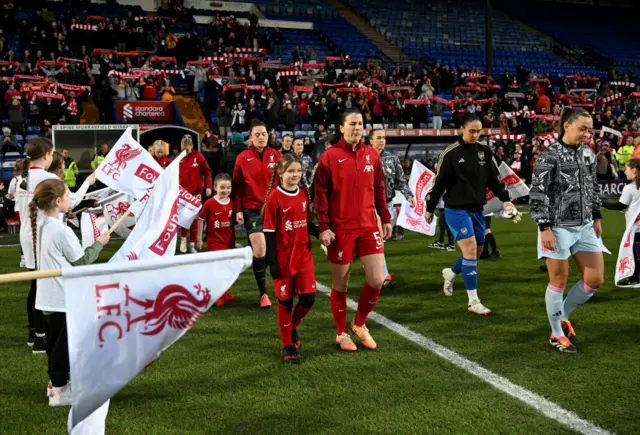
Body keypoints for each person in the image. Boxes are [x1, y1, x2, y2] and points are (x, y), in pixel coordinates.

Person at [314, 108, 391, 351]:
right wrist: (324, 227)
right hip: (340, 229)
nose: (357, 128)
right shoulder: (329, 156)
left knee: (377, 279)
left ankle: (359, 324)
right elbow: (321, 195)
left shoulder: (371, 154)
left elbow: (379, 187)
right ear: (341, 127)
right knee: (341, 284)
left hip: (369, 225)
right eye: (352, 124)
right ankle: (341, 333)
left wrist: (385, 217)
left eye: (360, 124)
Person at [530, 107, 604, 354]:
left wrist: (596, 215)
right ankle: (556, 334)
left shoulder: (587, 154)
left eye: (589, 129)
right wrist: (544, 227)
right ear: (567, 126)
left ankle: (563, 315)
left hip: (584, 226)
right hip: (557, 227)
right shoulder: (548, 156)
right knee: (559, 280)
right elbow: (537, 194)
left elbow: (592, 186)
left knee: (595, 279)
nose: (587, 134)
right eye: (583, 128)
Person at [425, 113, 515, 314]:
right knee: (471, 250)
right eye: (471, 131)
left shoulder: (484, 152)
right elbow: (438, 184)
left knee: (477, 252)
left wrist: (507, 201)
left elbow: (494, 180)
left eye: (478, 131)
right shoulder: (450, 153)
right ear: (462, 129)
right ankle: (473, 301)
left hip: (477, 210)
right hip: (456, 210)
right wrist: (430, 208)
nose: (475, 135)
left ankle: (451, 272)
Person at [31, 178, 110, 406]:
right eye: (68, 195)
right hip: (62, 295)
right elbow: (82, 261)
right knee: (64, 346)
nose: (70, 199)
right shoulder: (60, 230)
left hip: (50, 295)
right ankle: (58, 389)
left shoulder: (44, 223)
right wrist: (100, 243)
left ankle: (58, 385)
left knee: (57, 342)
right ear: (58, 200)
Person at [263, 154, 317, 363]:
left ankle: (292, 327)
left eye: (298, 171)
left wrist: (321, 231)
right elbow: (268, 232)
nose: (295, 175)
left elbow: (305, 222)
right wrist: (272, 262)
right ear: (280, 173)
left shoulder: (303, 194)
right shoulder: (275, 198)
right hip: (284, 259)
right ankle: (287, 345)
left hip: (304, 256)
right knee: (285, 302)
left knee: (308, 299)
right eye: (290, 171)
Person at [233, 119, 282, 308]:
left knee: (274, 252)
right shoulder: (242, 158)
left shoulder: (277, 156)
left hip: (275, 210)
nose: (261, 137)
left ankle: (282, 285)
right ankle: (263, 294)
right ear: (251, 138)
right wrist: (238, 210)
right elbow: (237, 187)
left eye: (264, 134)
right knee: (259, 248)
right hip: (252, 209)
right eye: (257, 135)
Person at [16, 137, 57, 353]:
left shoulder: (20, 177)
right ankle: (41, 337)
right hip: (41, 235)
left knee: (34, 284)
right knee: (43, 286)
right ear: (47, 155)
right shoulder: (48, 177)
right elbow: (69, 204)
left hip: (27, 234)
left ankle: (34, 333)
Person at [369, 128, 416, 288]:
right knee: (377, 240)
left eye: (384, 138)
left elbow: (400, 180)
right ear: (370, 140)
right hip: (367, 207)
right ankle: (384, 275)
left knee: (378, 241)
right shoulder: (363, 158)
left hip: (386, 205)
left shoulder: (392, 158)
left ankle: (377, 270)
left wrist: (409, 195)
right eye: (378, 138)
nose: (382, 140)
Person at [197, 173, 236, 306]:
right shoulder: (209, 203)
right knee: (218, 268)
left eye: (228, 188)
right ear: (215, 187)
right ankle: (217, 294)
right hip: (215, 241)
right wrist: (199, 238)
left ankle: (225, 292)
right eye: (222, 187)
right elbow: (201, 219)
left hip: (229, 240)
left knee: (227, 268)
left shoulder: (232, 203)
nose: (225, 191)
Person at [603, 158, 640, 285]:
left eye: (627, 169)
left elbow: (620, 206)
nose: (625, 172)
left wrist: (601, 203)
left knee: (635, 253)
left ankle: (634, 278)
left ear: (634, 170)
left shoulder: (630, 188)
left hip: (635, 227)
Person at [179, 135, 213, 253]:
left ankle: (192, 244)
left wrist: (208, 186)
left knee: (194, 218)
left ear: (191, 146)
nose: (185, 149)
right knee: (184, 218)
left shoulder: (198, 156)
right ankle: (183, 240)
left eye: (187, 146)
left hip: (196, 194)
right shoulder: (179, 159)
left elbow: (208, 172)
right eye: (184, 146)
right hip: (183, 194)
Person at [7, 159, 25, 266]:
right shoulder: (26, 179)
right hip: (25, 208)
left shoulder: (13, 181)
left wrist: (15, 196)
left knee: (23, 233)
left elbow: (10, 196)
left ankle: (23, 258)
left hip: (18, 209)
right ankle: (26, 257)